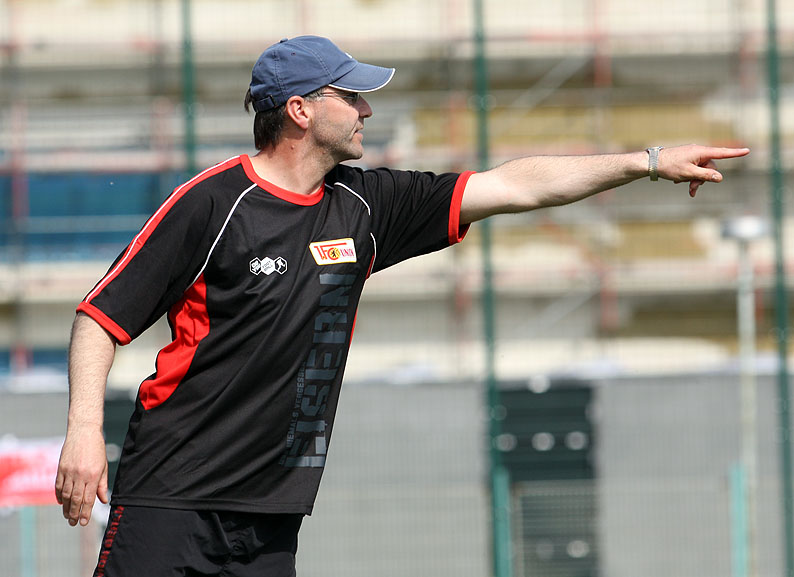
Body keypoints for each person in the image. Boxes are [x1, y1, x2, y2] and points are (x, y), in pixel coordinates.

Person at [54, 35, 749, 576]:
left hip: (270, 512)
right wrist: (84, 431)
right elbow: (99, 317)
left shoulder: (366, 205)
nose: (366, 110)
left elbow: (516, 186)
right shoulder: (212, 203)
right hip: (170, 496)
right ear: (300, 110)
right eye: (351, 96)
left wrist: (644, 161)